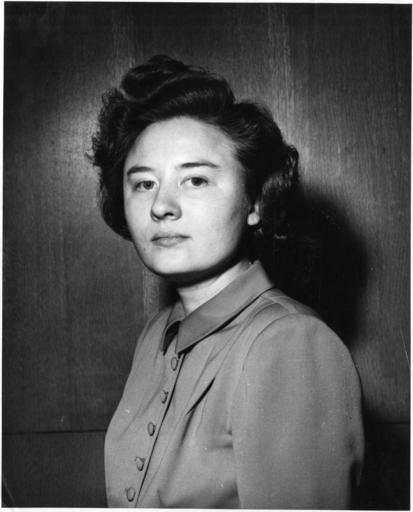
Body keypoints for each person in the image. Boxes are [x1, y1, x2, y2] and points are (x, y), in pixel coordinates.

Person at [91, 55, 364, 509]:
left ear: (255, 200)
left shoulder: (291, 343)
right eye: (143, 184)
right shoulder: (156, 335)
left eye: (195, 180)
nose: (161, 206)